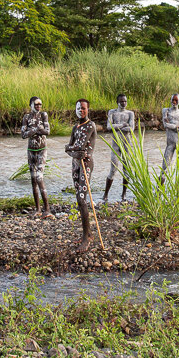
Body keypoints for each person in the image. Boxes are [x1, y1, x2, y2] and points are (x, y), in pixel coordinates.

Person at [65, 98, 96, 252]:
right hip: (76, 165)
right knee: (79, 199)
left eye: (83, 108)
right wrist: (73, 150)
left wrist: (73, 149)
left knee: (82, 199)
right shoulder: (75, 127)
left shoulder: (90, 125)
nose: (81, 111)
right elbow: (70, 148)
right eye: (78, 108)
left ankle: (86, 238)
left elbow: (79, 147)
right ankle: (88, 233)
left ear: (87, 110)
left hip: (86, 166)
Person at [21, 96, 51, 217]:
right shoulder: (26, 117)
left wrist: (33, 130)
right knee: (33, 180)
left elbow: (47, 131)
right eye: (36, 104)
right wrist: (37, 129)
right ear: (31, 105)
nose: (38, 106)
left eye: (40, 104)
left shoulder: (43, 115)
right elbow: (23, 134)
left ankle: (47, 208)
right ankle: (38, 209)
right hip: (31, 151)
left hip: (42, 150)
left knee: (39, 177)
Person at [103, 93, 135, 203]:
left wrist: (117, 127)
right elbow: (109, 127)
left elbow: (131, 128)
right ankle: (105, 195)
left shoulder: (130, 113)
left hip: (127, 144)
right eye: (121, 101)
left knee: (127, 169)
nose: (123, 103)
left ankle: (123, 195)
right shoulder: (112, 112)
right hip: (116, 144)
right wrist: (122, 125)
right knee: (113, 169)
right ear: (117, 102)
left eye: (125, 101)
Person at [161, 93, 179, 181]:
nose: (174, 102)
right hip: (170, 143)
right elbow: (166, 125)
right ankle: (158, 192)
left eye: (176, 100)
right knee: (164, 168)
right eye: (173, 100)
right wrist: (177, 127)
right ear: (170, 100)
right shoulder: (166, 111)